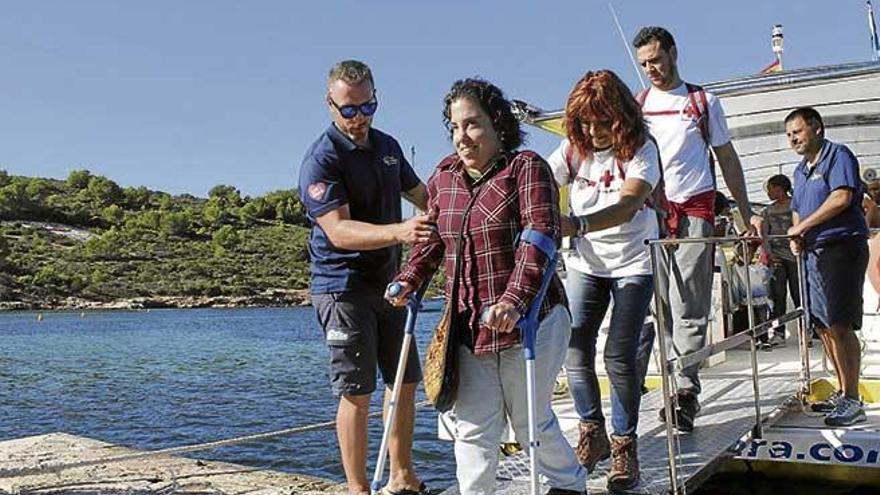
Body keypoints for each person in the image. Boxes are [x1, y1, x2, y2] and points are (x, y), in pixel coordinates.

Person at [389, 78, 587, 495]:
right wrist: (408, 279)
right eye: (455, 127)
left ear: (498, 123)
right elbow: (434, 243)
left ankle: (569, 485)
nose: (462, 137)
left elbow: (541, 235)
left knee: (530, 419)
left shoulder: (526, 168)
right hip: (470, 325)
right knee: (474, 428)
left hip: (534, 319)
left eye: (473, 124)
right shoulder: (443, 178)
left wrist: (514, 300)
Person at [298, 60, 435, 495]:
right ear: (330, 104)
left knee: (405, 382)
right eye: (349, 110)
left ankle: (402, 475)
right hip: (343, 287)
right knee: (358, 392)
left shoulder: (388, 146)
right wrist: (400, 231)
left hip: (391, 282)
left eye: (367, 106)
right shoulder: (322, 159)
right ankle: (358, 489)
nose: (359, 119)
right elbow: (338, 231)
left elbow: (424, 195)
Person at [632, 26, 762, 431]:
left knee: (690, 303)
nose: (651, 69)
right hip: (652, 213)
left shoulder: (703, 101)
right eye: (643, 64)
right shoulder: (637, 106)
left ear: (673, 52)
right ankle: (673, 381)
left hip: (695, 211)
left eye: (656, 59)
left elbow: (727, 158)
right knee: (663, 307)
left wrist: (745, 213)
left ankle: (685, 391)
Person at [547, 70, 660, 490]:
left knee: (617, 354)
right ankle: (590, 432)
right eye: (585, 123)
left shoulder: (642, 150)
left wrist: (575, 224)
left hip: (633, 262)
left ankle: (624, 443)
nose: (594, 132)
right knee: (573, 347)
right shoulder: (572, 151)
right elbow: (539, 179)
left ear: (621, 118)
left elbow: (630, 203)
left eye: (602, 122)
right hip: (586, 265)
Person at [785, 106, 869, 427]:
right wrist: (798, 233)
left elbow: (842, 197)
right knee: (821, 325)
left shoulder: (838, 156)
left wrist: (803, 226)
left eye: (798, 131)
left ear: (817, 128)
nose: (793, 138)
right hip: (811, 253)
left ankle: (852, 398)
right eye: (789, 134)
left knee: (839, 323)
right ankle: (841, 389)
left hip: (841, 248)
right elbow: (796, 209)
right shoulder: (800, 170)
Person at [759, 174, 801, 349]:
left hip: (796, 257)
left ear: (779, 188)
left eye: (770, 188)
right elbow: (765, 236)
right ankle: (778, 333)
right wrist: (769, 254)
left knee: (800, 294)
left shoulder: (797, 206)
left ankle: (806, 330)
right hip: (777, 259)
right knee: (778, 296)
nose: (768, 192)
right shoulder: (767, 211)